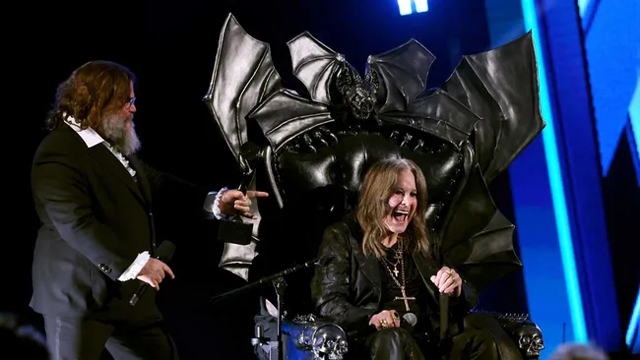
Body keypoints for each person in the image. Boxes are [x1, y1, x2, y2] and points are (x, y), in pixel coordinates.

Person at [30, 60, 268, 360]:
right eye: (127, 101)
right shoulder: (58, 151)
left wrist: (216, 201)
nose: (133, 109)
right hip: (79, 299)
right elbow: (76, 224)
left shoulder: (107, 146)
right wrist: (136, 264)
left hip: (128, 297)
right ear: (98, 102)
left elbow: (158, 183)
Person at [311, 158, 512, 359]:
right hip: (378, 343)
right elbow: (329, 302)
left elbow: (466, 297)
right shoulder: (342, 237)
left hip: (431, 344)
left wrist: (457, 289)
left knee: (483, 341)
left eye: (413, 194)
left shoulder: (423, 240)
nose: (407, 202)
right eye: (398, 192)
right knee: (392, 338)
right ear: (377, 194)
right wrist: (371, 318)